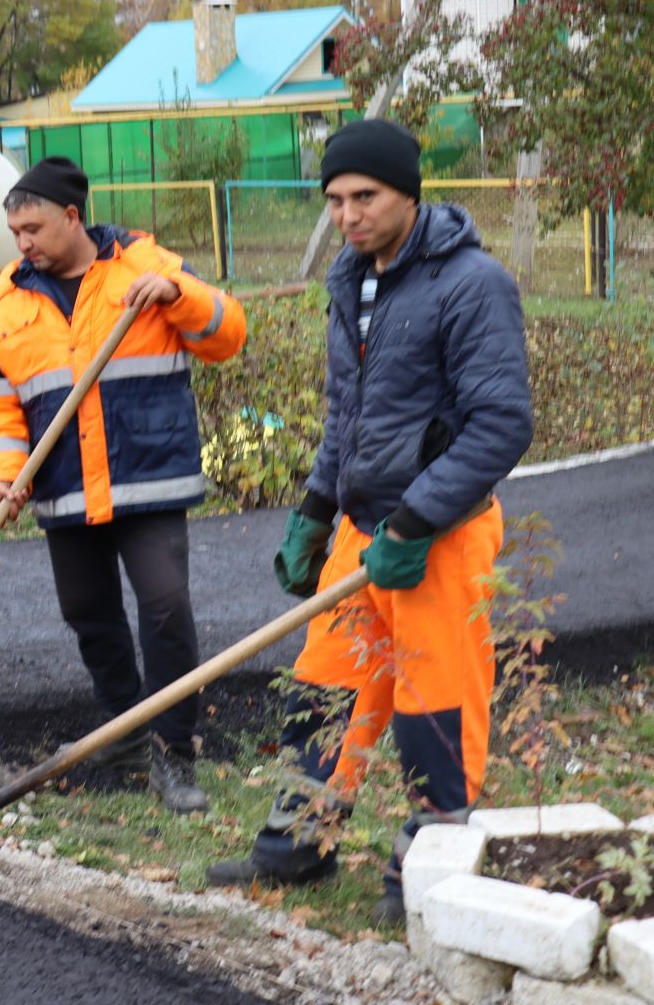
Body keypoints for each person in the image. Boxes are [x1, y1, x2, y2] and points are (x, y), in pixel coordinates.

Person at [205, 119, 532, 925]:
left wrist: (417, 522)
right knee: (325, 688)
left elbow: (501, 424)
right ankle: (297, 843)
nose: (348, 215)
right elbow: (346, 417)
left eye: (365, 197)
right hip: (362, 529)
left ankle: (427, 867)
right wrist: (315, 512)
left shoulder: (470, 281)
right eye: (336, 199)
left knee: (435, 699)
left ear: (407, 194)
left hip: (440, 535)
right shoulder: (351, 280)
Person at [0, 156, 246, 813]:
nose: (24, 243)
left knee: (166, 607)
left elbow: (227, 333)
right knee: (88, 612)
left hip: (146, 477)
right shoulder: (5, 306)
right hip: (62, 484)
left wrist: (182, 297)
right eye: (15, 233)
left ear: (72, 217)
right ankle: (125, 731)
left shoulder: (145, 268)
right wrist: (4, 475)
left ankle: (175, 753)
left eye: (33, 227)